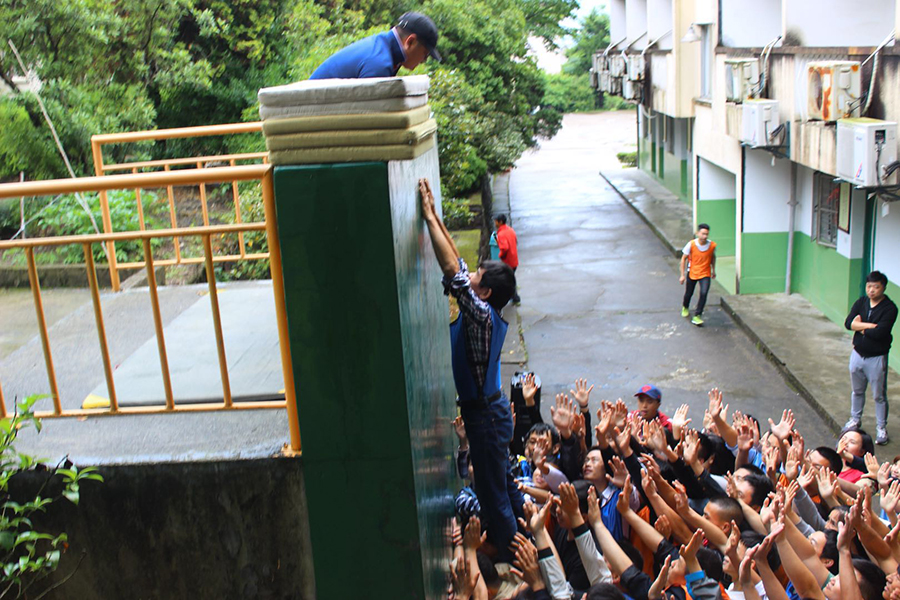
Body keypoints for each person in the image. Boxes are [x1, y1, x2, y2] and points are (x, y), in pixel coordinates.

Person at [419, 178, 523, 559]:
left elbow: (452, 270)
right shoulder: (485, 307)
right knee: (500, 484)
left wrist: (428, 216)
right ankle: (524, 537)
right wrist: (435, 217)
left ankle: (513, 558)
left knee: (493, 495)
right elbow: (459, 267)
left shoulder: (480, 315)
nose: (471, 276)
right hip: (490, 413)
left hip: (486, 418)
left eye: (477, 278)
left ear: (485, 293)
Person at [844, 270, 897, 446]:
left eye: (876, 287)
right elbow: (848, 323)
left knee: (878, 395)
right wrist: (869, 326)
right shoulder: (862, 302)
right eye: (869, 286)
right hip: (857, 354)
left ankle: (881, 428)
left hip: (876, 358)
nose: (871, 290)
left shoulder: (890, 308)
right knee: (857, 391)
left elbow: (880, 333)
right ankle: (854, 420)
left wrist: (858, 326)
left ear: (883, 288)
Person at [309, 11, 441, 80]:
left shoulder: (382, 47)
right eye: (425, 55)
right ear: (410, 42)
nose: (423, 61)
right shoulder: (379, 63)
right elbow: (369, 117)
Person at [679, 224, 716, 326]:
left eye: (706, 234)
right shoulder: (691, 244)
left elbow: (713, 257)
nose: (705, 236)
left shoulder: (711, 245)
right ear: (698, 233)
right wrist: (682, 275)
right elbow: (683, 259)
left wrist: (713, 270)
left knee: (704, 293)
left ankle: (697, 315)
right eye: (703, 234)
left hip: (705, 273)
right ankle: (685, 306)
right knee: (689, 293)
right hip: (693, 272)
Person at [494, 214, 520, 304]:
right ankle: (513, 296)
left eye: (496, 221)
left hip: (507, 262)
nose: (495, 223)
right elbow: (515, 241)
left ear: (500, 222)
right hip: (514, 260)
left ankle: (514, 297)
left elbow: (504, 248)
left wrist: (500, 255)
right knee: (509, 278)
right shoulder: (510, 230)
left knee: (507, 280)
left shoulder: (501, 234)